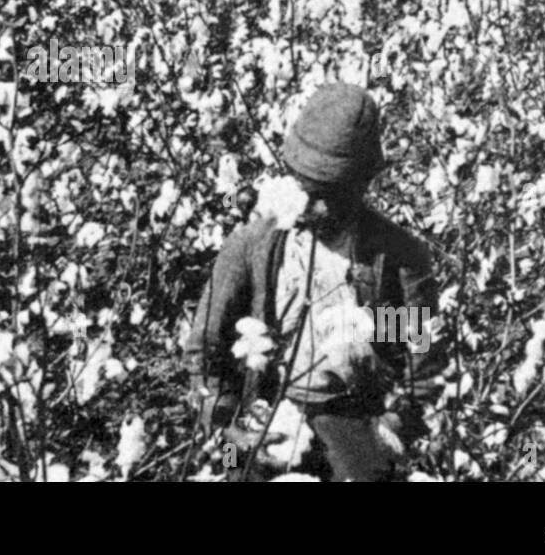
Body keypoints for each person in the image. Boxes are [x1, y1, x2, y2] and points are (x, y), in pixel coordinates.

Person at [184, 83, 446, 481]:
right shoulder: (252, 249)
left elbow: (418, 362)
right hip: (260, 413)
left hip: (351, 420)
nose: (315, 207)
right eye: (308, 190)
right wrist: (226, 428)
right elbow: (207, 348)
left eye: (331, 194)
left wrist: (392, 428)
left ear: (362, 185)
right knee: (233, 475)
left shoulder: (393, 261)